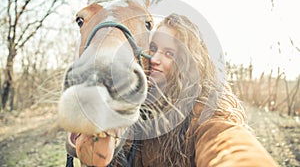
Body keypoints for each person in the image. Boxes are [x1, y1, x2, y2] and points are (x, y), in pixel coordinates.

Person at [74, 13, 279, 167]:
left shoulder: (205, 106)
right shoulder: (138, 101)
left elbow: (225, 139)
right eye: (152, 49)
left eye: (169, 53)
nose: (154, 60)